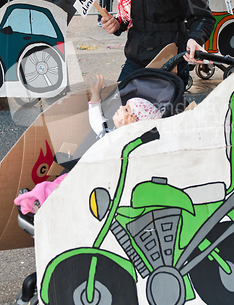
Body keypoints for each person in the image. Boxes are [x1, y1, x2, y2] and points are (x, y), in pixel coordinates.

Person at [14, 75, 161, 215]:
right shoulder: (108, 131)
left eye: (127, 109)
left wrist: (131, 130)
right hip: (85, 173)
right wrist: (95, 95)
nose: (121, 107)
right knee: (59, 183)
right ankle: (33, 202)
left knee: (66, 189)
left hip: (98, 183)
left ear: (134, 121)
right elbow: (96, 118)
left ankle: (44, 206)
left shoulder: (130, 145)